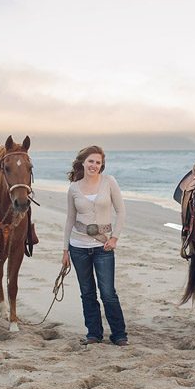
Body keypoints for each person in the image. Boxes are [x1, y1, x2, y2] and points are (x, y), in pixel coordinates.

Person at [62, 145, 128, 346]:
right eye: (91, 161)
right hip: (78, 246)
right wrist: (65, 250)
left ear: (102, 165)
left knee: (108, 292)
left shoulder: (109, 182)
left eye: (98, 162)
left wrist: (114, 238)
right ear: (83, 162)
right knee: (87, 292)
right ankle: (93, 334)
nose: (94, 165)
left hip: (103, 247)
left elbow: (121, 212)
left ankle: (119, 335)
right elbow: (70, 219)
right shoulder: (74, 187)